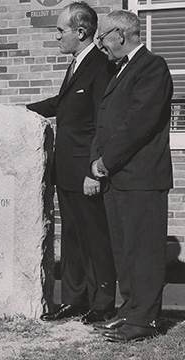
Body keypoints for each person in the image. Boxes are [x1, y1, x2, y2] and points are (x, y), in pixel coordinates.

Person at [27, 2, 117, 324]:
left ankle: (102, 304)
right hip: (65, 171)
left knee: (95, 238)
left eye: (60, 31)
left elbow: (102, 123)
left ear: (81, 32)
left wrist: (95, 169)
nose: (56, 37)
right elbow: (61, 105)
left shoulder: (101, 66)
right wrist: (22, 109)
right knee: (73, 240)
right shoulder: (77, 64)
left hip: (86, 173)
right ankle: (74, 301)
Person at [90, 10, 173, 342]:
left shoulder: (152, 67)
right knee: (124, 250)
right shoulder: (120, 70)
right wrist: (98, 162)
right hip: (119, 177)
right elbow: (107, 120)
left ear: (120, 35)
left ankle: (145, 320)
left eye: (103, 39)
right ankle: (130, 310)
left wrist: (105, 161)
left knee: (144, 251)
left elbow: (139, 123)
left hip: (142, 178)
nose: (101, 46)